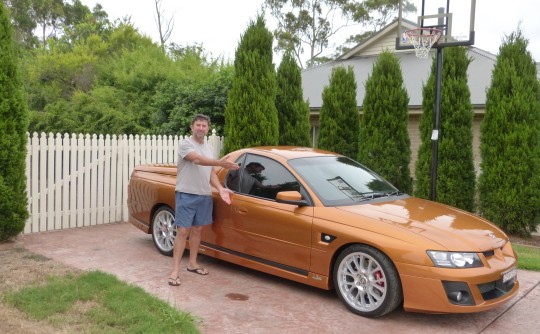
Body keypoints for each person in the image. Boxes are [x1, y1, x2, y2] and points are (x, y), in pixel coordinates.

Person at [168, 114, 239, 286]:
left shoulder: (208, 147)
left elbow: (211, 173)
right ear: (191, 127)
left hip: (204, 195)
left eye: (204, 125)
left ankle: (192, 264)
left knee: (198, 230)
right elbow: (197, 160)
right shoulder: (186, 144)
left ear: (208, 128)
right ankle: (175, 271)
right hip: (186, 193)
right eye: (198, 125)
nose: (201, 128)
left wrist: (220, 188)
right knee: (183, 231)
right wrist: (220, 163)